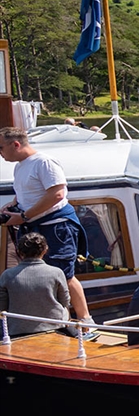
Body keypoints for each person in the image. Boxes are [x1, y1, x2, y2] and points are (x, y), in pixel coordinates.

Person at [0, 127, 93, 327]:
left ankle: (85, 321)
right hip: (36, 225)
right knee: (49, 274)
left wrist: (24, 216)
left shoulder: (44, 162)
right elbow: (28, 192)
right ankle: (63, 322)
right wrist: (13, 205)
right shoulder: (20, 166)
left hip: (57, 227)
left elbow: (57, 194)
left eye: (0, 148)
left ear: (15, 144)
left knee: (64, 275)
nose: (0, 153)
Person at [0, 232, 70, 336]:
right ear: (45, 250)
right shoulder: (56, 272)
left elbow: (2, 307)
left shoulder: (7, 275)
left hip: (17, 331)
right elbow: (65, 301)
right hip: (54, 328)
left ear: (18, 252)